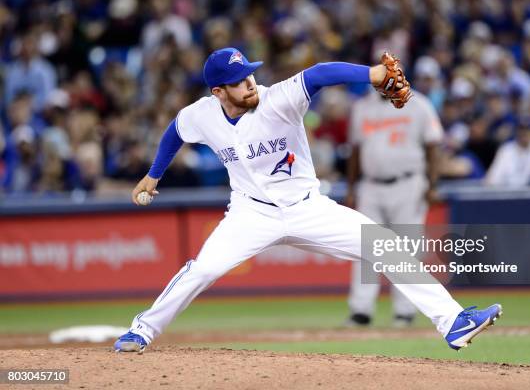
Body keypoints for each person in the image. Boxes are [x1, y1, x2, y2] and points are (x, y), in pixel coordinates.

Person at [113, 47, 502, 353]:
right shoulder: (202, 114)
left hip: (307, 208)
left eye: (249, 73)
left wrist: (371, 74)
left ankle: (453, 322)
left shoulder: (277, 99)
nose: (249, 83)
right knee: (201, 271)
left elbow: (318, 75)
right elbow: (174, 132)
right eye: (238, 80)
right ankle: (141, 331)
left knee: (386, 245)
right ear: (218, 92)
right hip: (250, 214)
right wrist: (153, 175)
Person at [345, 89, 443, 327]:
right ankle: (361, 310)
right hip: (370, 185)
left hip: (408, 182)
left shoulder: (418, 103)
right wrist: (351, 188)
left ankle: (405, 311)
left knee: (407, 248)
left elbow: (433, 145)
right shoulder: (362, 106)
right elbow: (356, 150)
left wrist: (432, 184)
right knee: (366, 246)